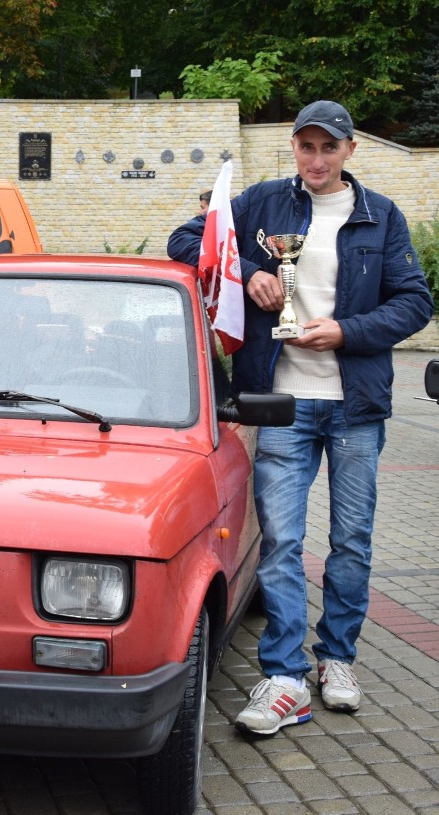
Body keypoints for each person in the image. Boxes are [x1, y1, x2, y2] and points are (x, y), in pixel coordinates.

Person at [167, 100, 434, 736]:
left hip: (355, 407)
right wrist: (254, 271)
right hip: (280, 402)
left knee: (351, 543)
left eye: (328, 148)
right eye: (306, 147)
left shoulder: (381, 216)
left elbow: (416, 302)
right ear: (293, 147)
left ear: (349, 151)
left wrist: (346, 331)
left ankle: (337, 659)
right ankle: (285, 673)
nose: (316, 160)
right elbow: (186, 240)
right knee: (282, 543)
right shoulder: (262, 204)